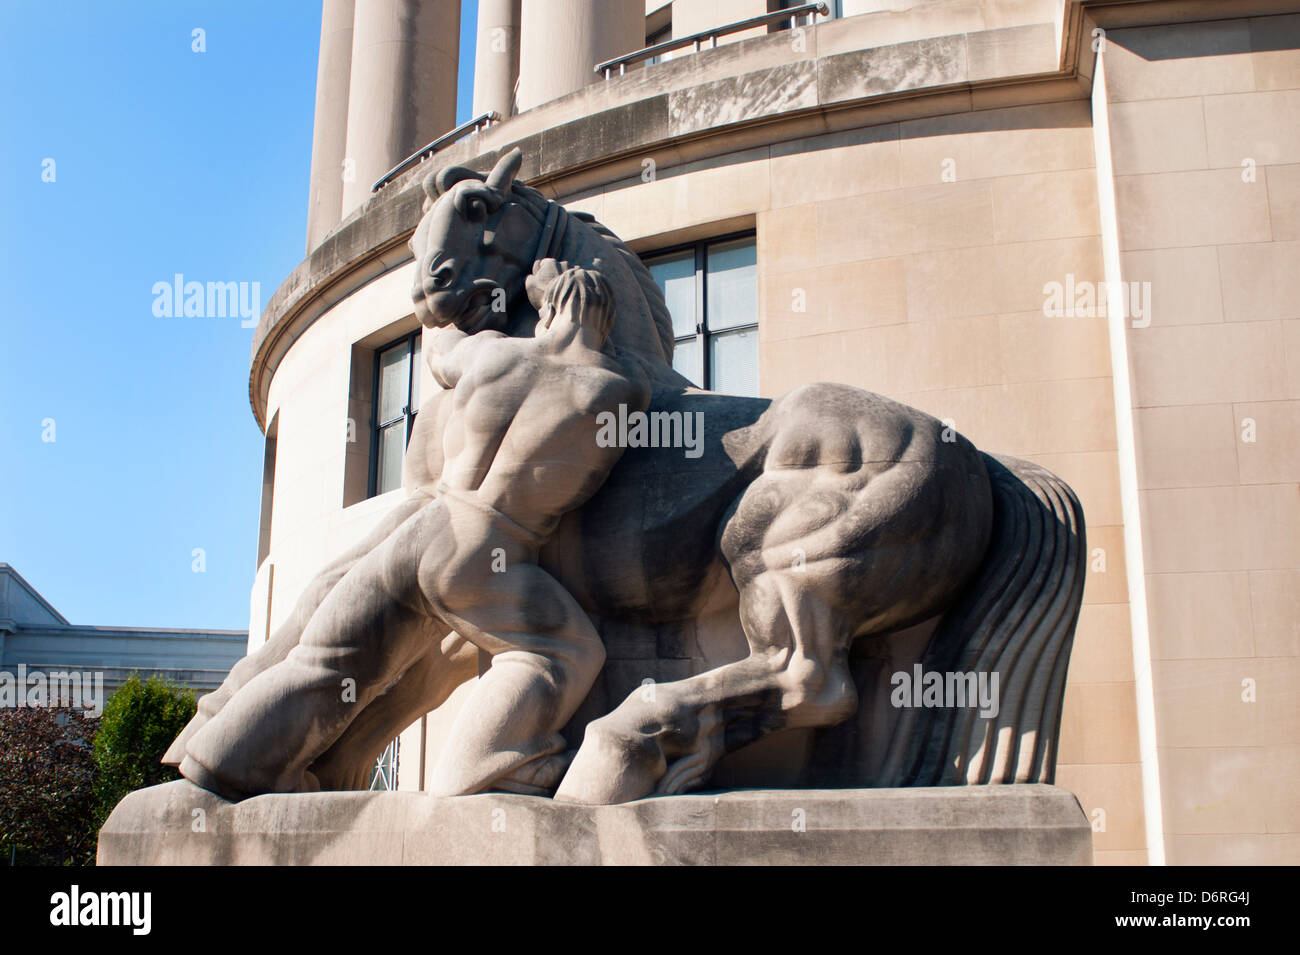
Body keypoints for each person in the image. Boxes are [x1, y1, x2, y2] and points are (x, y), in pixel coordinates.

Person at [178, 266, 650, 799]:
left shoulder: (494, 355)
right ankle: (485, 765)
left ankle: (224, 759)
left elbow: (441, 349)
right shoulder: (618, 386)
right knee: (569, 650)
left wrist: (455, 292)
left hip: (421, 526)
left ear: (547, 311)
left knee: (327, 660)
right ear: (605, 320)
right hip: (487, 546)